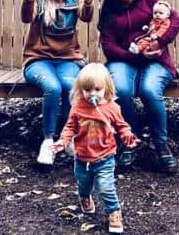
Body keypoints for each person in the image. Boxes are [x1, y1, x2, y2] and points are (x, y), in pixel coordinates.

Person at [98, 0, 179, 173]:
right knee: (121, 90)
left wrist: (159, 41)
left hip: (156, 60)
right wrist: (136, 57)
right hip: (123, 60)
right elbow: (108, 47)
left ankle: (161, 145)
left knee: (149, 90)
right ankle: (129, 140)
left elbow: (176, 20)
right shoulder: (110, 12)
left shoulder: (150, 1)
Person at [21, 0, 101, 165]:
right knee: (53, 87)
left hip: (68, 60)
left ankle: (68, 139)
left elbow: (87, 18)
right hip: (38, 60)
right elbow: (26, 18)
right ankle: (48, 142)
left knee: (68, 85)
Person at [52, 63, 139, 234]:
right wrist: (63, 141)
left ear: (106, 88)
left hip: (104, 157)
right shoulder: (78, 107)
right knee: (84, 184)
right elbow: (70, 127)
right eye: (87, 90)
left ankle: (113, 212)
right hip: (82, 158)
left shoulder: (112, 108)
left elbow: (121, 126)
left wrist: (127, 136)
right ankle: (85, 197)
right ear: (80, 89)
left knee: (106, 187)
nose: (93, 94)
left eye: (97, 90)